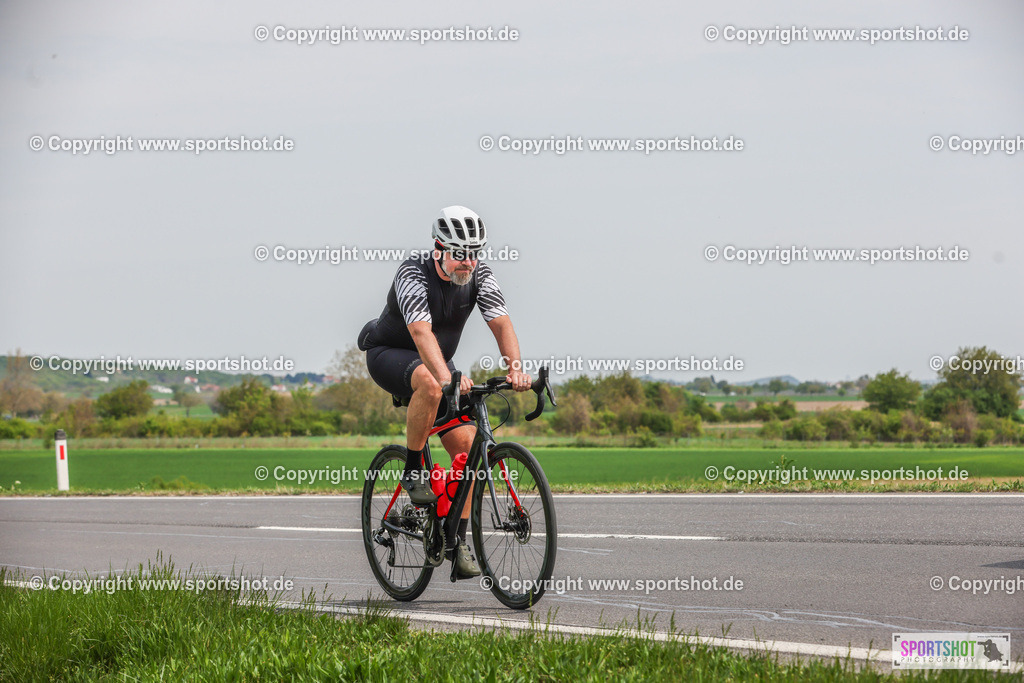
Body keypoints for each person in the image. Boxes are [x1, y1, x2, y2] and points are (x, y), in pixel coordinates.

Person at [358, 205, 532, 578]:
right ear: (438, 248)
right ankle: (413, 471)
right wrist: (445, 377)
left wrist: (515, 370)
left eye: (474, 253)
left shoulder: (480, 275)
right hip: (391, 354)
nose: (468, 262)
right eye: (459, 254)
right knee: (430, 382)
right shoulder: (412, 272)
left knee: (470, 455)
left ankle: (457, 542)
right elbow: (421, 333)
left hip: (438, 361)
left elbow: (502, 324)